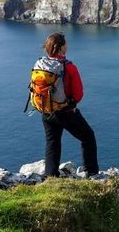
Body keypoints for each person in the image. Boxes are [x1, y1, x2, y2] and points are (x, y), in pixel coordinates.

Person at [36, 32, 99, 178]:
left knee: (52, 143)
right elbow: (78, 94)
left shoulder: (40, 64)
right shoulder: (69, 67)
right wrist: (71, 103)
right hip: (65, 112)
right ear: (61, 48)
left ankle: (50, 177)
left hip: (46, 111)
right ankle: (91, 172)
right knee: (88, 137)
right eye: (65, 44)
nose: (67, 46)